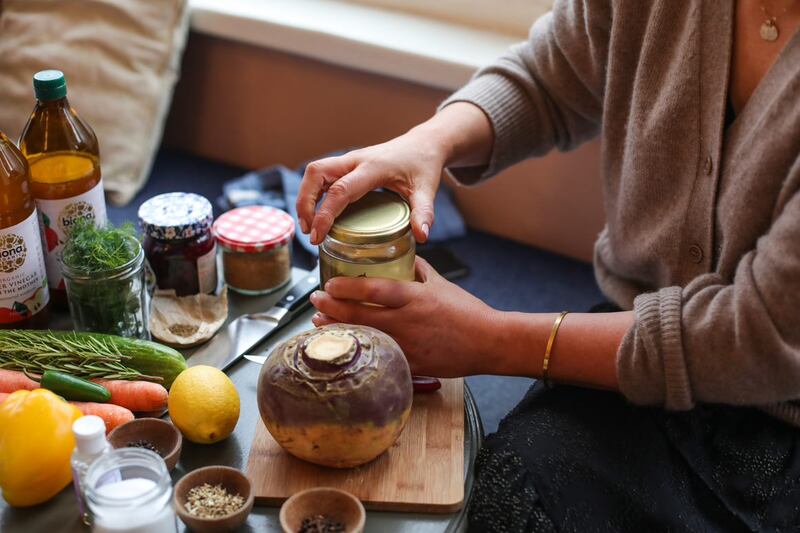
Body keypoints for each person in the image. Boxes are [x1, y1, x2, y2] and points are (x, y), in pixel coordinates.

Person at [297, 0, 800, 530]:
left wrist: (489, 339)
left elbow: (755, 335)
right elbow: (550, 75)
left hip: (780, 417)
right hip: (627, 346)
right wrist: (429, 142)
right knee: (510, 494)